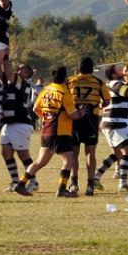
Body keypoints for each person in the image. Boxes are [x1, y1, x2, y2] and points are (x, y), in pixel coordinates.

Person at [13, 66, 87, 198]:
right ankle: (62, 189)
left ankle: (20, 184)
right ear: (65, 78)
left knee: (40, 161)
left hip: (46, 130)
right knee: (69, 160)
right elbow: (73, 115)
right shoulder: (64, 92)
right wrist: (82, 112)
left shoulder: (47, 89)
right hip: (60, 131)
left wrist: (47, 118)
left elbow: (36, 108)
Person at [93, 64, 128, 194]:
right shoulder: (116, 84)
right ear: (113, 74)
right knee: (127, 152)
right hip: (114, 122)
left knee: (118, 153)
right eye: (119, 69)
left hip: (113, 122)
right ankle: (122, 184)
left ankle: (96, 177)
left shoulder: (114, 84)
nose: (122, 69)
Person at [67, 57, 111, 194]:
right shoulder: (98, 82)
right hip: (91, 118)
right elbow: (107, 101)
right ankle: (90, 185)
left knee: (73, 153)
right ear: (92, 69)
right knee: (90, 153)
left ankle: (74, 184)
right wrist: (99, 105)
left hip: (74, 118)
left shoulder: (70, 81)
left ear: (78, 68)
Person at [0, 61, 38, 193]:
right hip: (10, 124)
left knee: (23, 155)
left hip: (20, 123)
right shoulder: (14, 83)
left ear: (26, 73)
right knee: (6, 152)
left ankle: (34, 182)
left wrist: (4, 57)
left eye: (21, 69)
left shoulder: (22, 83)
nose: (18, 70)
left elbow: (8, 73)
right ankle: (15, 181)